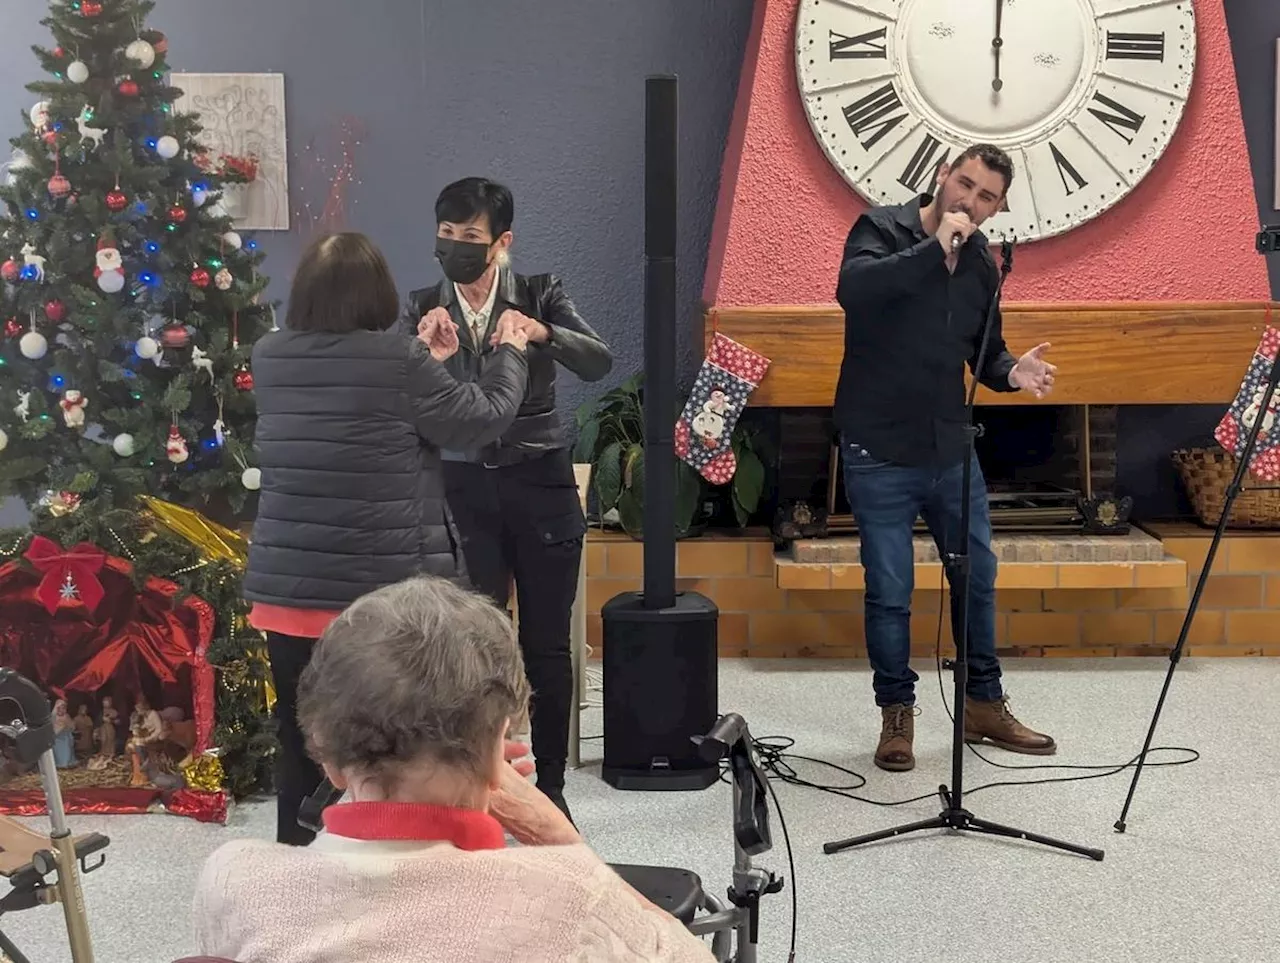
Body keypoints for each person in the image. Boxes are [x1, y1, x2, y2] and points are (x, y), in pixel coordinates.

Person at [193, 577, 715, 963]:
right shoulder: (571, 901)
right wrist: (558, 837)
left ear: (326, 755)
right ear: (499, 746)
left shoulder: (233, 880)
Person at [243, 232, 531, 846]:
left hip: (290, 598)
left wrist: (422, 358)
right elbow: (478, 419)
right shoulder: (398, 363)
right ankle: (403, 873)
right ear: (377, 296)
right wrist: (510, 352)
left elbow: (359, 400)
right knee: (407, 750)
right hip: (382, 609)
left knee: (302, 744)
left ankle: (302, 875)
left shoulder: (269, 356)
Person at [834, 144, 1059, 773]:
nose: (969, 201)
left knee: (977, 578)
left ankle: (984, 704)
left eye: (985, 197)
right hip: (877, 446)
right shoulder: (881, 229)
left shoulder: (984, 267)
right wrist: (938, 248)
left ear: (998, 207)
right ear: (942, 176)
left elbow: (986, 356)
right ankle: (896, 714)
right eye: (964, 184)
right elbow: (855, 290)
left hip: (950, 449)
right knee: (890, 589)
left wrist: (1014, 372)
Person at [400, 177, 613, 820]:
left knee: (545, 646)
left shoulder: (539, 292)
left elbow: (599, 360)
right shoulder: (420, 305)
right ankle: (479, 784)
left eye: (471, 236)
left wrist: (542, 332)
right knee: (474, 648)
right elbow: (396, 400)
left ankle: (551, 789)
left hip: (540, 483)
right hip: (463, 494)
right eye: (447, 234)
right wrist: (418, 350)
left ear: (502, 243)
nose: (456, 247)